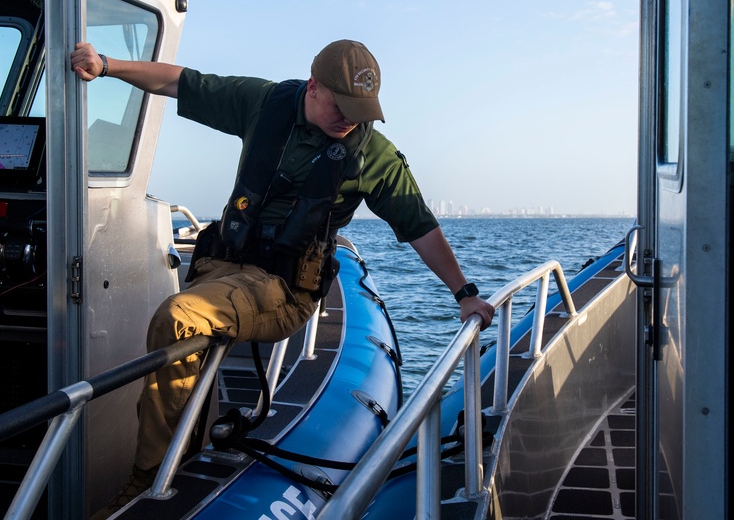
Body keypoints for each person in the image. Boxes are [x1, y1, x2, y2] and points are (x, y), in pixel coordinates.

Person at [71, 39, 495, 518]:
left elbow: (419, 226)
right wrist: (106, 65)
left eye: (361, 111)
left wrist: (464, 293)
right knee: (187, 351)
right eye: (342, 105)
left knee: (180, 318)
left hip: (283, 289)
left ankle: (148, 480)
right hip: (221, 268)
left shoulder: (373, 155)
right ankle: (183, 458)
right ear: (313, 87)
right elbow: (181, 82)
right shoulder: (264, 103)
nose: (350, 120)